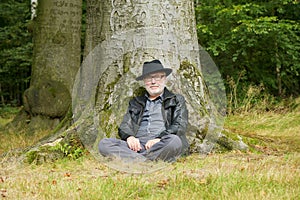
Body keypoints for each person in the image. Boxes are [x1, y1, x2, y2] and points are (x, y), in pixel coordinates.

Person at [98, 59, 189, 162]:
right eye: (149, 78)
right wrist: (129, 137)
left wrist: (159, 139)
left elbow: (180, 125)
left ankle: (136, 160)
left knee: (174, 141)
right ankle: (146, 160)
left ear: (164, 78)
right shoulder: (136, 102)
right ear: (144, 81)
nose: (153, 82)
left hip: (162, 143)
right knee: (104, 144)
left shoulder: (176, 100)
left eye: (157, 77)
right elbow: (125, 125)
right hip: (136, 147)